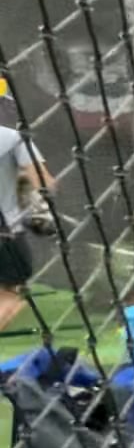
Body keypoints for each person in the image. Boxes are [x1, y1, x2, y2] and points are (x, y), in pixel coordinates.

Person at [0, 119, 53, 334]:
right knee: (10, 298)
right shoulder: (11, 137)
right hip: (6, 235)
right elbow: (44, 183)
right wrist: (25, 187)